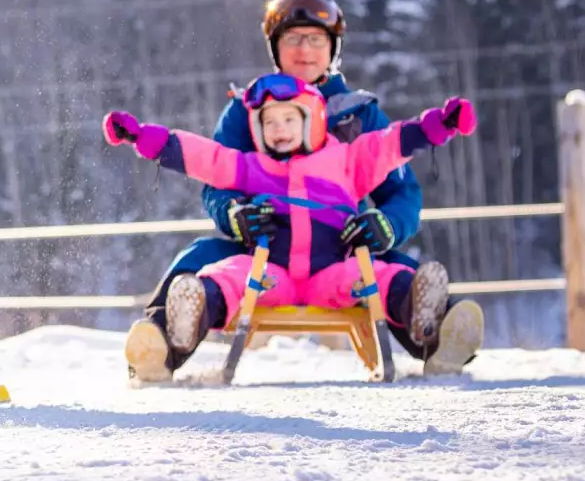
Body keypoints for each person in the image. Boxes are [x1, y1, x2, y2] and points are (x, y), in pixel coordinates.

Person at [124, 0, 431, 382]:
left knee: (393, 269)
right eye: (292, 39)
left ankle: (439, 333)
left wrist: (385, 225)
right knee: (201, 259)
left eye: (316, 39)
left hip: (338, 243)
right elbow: (218, 174)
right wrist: (236, 216)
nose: (305, 50)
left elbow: (400, 189)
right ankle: (159, 345)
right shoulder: (250, 108)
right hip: (262, 240)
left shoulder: (359, 112)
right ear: (275, 47)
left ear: (333, 48)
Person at [104, 77, 483, 375]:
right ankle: (190, 312)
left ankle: (425, 316)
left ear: (312, 120)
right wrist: (143, 137)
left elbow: (389, 145)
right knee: (230, 273)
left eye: (289, 119)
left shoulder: (346, 161)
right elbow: (207, 158)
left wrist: (439, 125)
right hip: (271, 273)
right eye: (268, 122)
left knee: (381, 275)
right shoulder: (255, 167)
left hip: (334, 272)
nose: (278, 129)